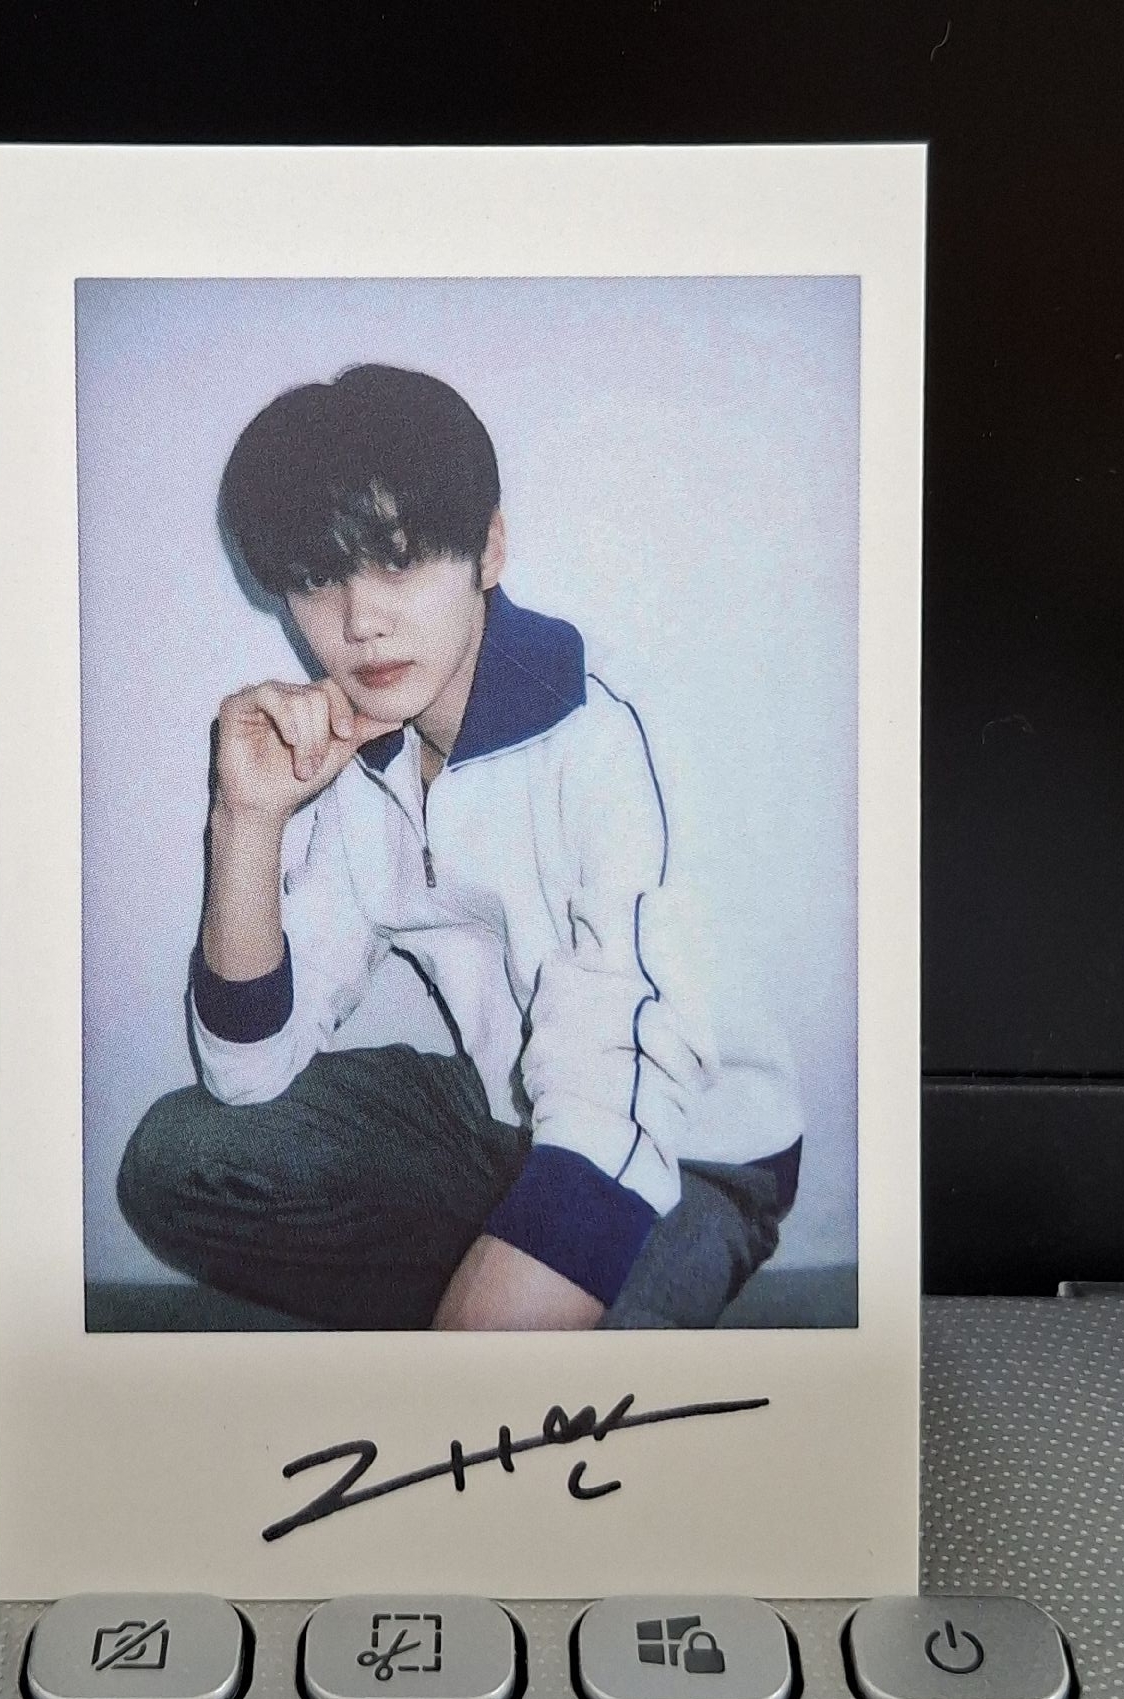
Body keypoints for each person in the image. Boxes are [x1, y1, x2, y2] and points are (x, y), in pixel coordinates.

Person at [118, 363, 804, 1331]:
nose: (360, 621)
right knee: (177, 1158)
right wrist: (247, 818)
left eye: (397, 563)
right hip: (499, 1119)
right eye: (316, 578)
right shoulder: (369, 754)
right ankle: (497, 1271)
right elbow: (248, 1074)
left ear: (488, 550)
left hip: (685, 1145)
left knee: (564, 1398)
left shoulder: (608, 733)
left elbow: (621, 1070)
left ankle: (518, 1287)